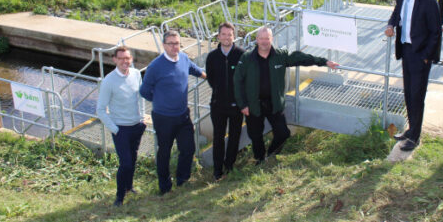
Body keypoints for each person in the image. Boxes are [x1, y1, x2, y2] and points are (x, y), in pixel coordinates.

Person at [234, 26, 339, 164]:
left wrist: (324, 62)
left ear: (272, 39)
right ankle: (260, 159)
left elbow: (300, 58)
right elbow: (237, 81)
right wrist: (243, 104)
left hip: (275, 103)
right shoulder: (247, 58)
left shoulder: (280, 55)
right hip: (254, 104)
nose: (264, 41)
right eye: (261, 38)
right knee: (255, 135)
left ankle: (270, 154)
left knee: (283, 133)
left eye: (267, 38)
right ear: (257, 40)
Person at [140, 30, 206, 193]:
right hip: (164, 118)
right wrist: (160, 101)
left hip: (183, 115)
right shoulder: (155, 66)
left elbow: (196, 70)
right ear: (164, 45)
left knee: (188, 148)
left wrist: (213, 78)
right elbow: (144, 91)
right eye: (171, 44)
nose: (175, 47)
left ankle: (182, 180)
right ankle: (164, 186)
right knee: (164, 151)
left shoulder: (183, 58)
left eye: (177, 43)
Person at [385, 0, 441, 151]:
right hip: (406, 51)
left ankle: (415, 137)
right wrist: (391, 25)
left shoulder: (428, 0)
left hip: (420, 54)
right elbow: (396, 14)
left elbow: (435, 32)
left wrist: (426, 57)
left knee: (417, 95)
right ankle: (411, 129)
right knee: (408, 93)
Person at [96, 46, 146, 207]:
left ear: (131, 59)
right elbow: (100, 110)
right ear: (115, 60)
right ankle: (119, 197)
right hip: (121, 129)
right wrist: (115, 129)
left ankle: (128, 187)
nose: (125, 61)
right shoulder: (108, 82)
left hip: (136, 126)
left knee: (133, 158)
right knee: (125, 163)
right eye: (122, 58)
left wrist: (142, 118)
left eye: (128, 58)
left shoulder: (136, 74)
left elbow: (141, 97)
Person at [205, 22, 245, 180]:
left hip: (236, 106)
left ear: (233, 36)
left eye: (230, 34)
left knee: (235, 136)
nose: (227, 37)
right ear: (218, 36)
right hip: (218, 105)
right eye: (223, 34)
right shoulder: (212, 57)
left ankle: (229, 165)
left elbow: (245, 78)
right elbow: (211, 79)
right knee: (218, 137)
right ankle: (217, 170)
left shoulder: (241, 55)